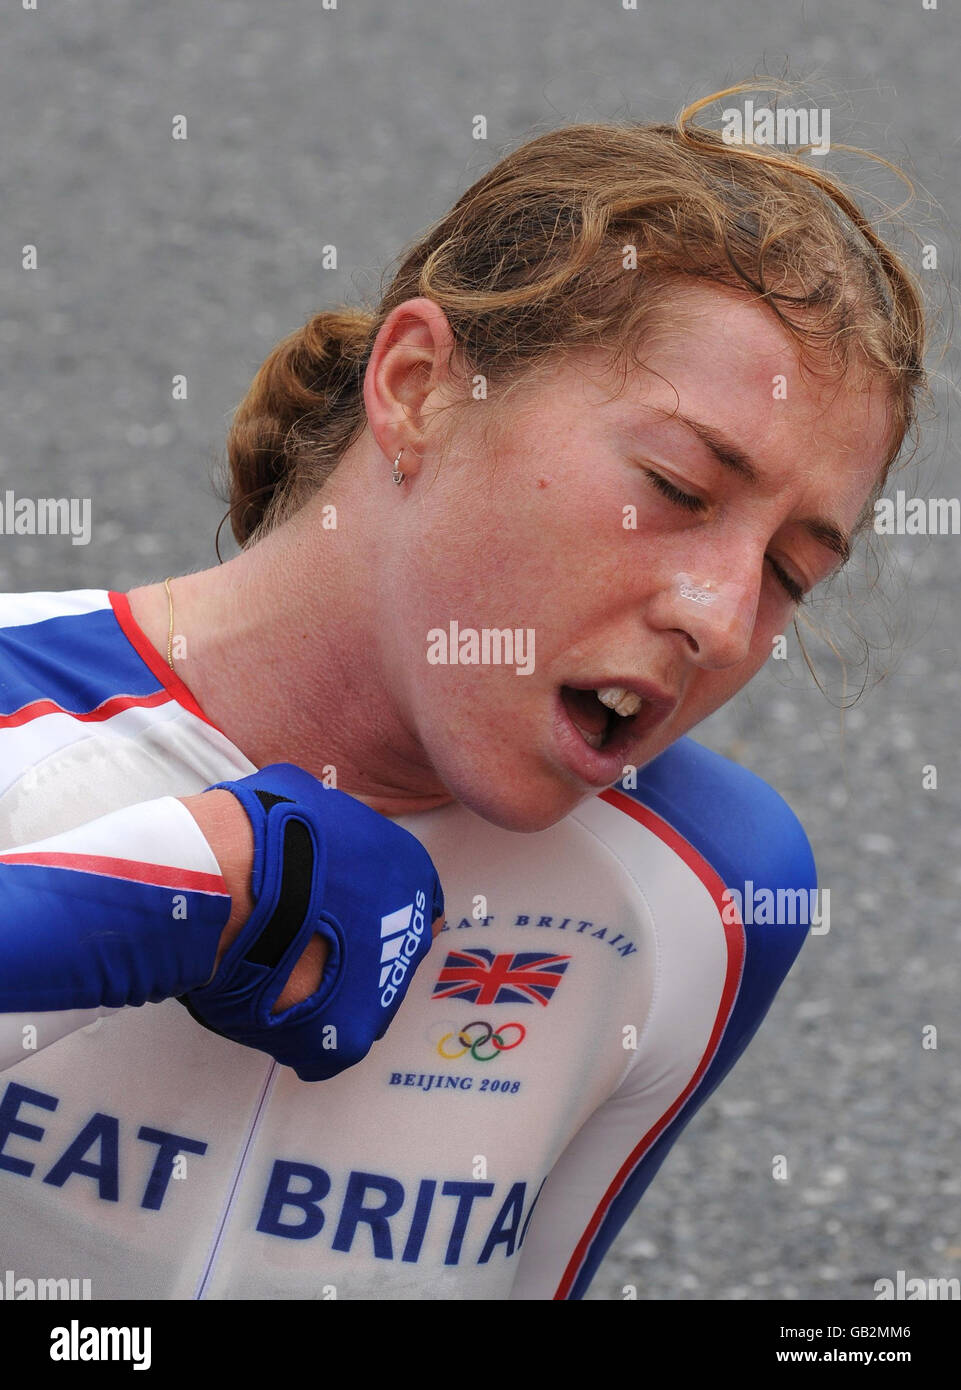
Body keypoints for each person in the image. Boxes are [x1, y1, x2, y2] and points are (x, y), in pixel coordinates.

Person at [0, 88, 926, 1300]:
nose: (718, 615)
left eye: (790, 570)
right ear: (421, 385)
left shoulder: (714, 892)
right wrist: (153, 896)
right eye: (677, 485)